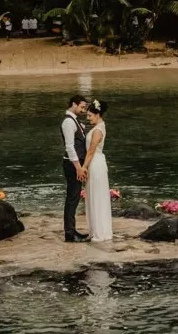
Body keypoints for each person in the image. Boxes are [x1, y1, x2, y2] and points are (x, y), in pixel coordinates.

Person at [82, 99, 113, 243]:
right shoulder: (99, 127)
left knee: (97, 195)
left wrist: (83, 167)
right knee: (93, 195)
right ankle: (96, 229)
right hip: (96, 162)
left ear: (98, 114)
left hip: (95, 164)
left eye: (90, 116)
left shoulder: (98, 130)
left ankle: (100, 232)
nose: (88, 118)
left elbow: (91, 151)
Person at [60, 94, 89, 242]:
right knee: (72, 197)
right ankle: (69, 233)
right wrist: (78, 167)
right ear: (73, 104)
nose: (83, 110)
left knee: (75, 197)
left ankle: (72, 230)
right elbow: (70, 147)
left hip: (75, 164)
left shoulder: (75, 122)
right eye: (82, 107)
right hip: (72, 165)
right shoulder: (68, 123)